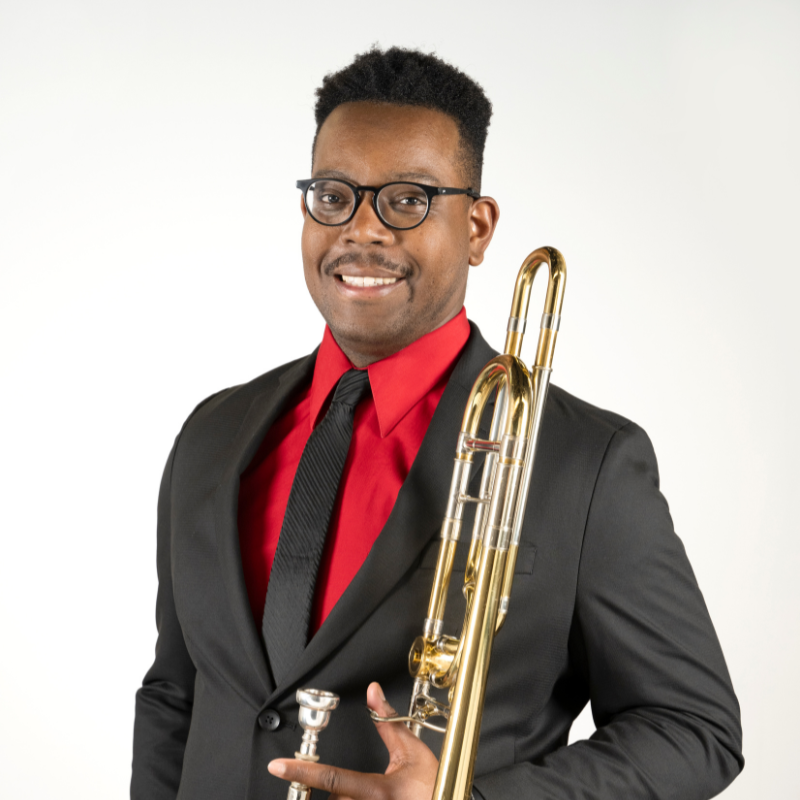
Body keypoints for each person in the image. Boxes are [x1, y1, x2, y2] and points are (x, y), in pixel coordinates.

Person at [131, 47, 743, 800]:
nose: (364, 230)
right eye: (335, 195)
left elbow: (693, 727)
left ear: (479, 227)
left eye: (409, 200)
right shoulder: (213, 432)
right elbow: (175, 696)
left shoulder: (588, 463)